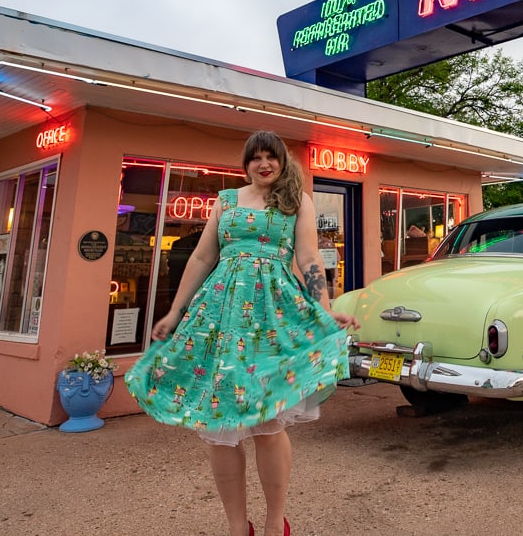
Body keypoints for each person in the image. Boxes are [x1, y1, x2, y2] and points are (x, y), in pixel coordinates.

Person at [124, 131, 359, 536]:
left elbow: (307, 258)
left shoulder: (295, 201)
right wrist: (175, 311)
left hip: (273, 318)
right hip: (220, 317)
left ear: (282, 162)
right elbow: (201, 256)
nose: (263, 164)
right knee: (220, 430)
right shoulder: (225, 200)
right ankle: (237, 527)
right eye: (255, 158)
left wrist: (325, 309)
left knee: (268, 426)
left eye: (271, 157)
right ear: (245, 163)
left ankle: (273, 524)